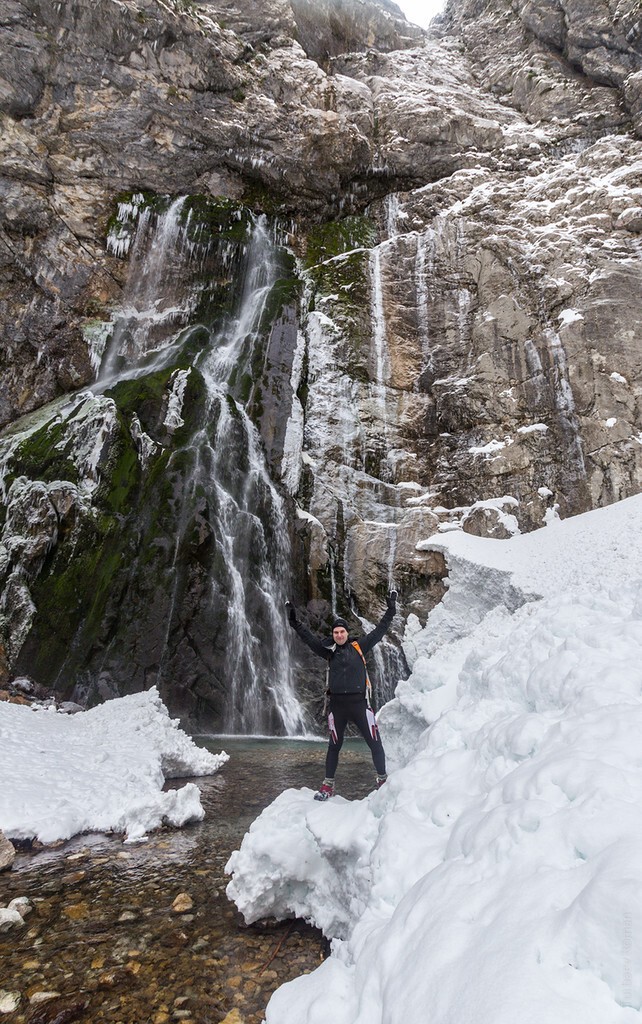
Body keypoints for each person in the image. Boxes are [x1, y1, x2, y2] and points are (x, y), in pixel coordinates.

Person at [285, 592, 397, 800]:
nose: (339, 635)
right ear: (333, 634)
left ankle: (382, 779)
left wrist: (391, 609)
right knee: (334, 746)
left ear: (347, 632)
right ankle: (328, 785)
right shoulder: (329, 652)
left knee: (375, 742)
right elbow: (308, 638)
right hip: (337, 707)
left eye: (342, 631)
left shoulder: (360, 647)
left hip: (359, 704)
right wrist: (293, 621)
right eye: (335, 632)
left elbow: (380, 630)